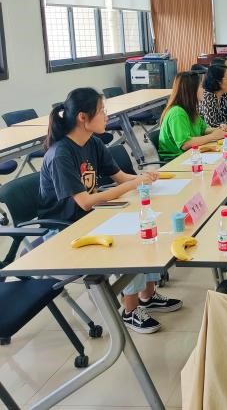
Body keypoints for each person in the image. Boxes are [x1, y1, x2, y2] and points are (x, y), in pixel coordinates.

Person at [39, 88, 181, 334]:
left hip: (89, 218)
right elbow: (85, 202)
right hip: (64, 230)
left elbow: (121, 177)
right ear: (83, 117)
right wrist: (132, 184)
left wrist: (144, 178)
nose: (107, 116)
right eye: (102, 111)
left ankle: (148, 295)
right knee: (132, 239)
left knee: (147, 224)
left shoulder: (92, 142)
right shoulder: (61, 154)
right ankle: (130, 310)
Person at [158, 71, 226, 161]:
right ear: (191, 90)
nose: (204, 90)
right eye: (201, 87)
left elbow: (203, 130)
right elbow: (185, 144)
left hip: (192, 155)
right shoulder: (177, 112)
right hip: (176, 160)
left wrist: (218, 130)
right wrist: (213, 136)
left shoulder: (190, 109)